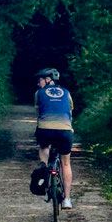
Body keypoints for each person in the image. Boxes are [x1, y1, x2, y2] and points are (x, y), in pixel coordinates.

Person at [34, 68, 74, 209]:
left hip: (45, 129)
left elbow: (39, 112)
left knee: (44, 147)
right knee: (66, 164)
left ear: (48, 80)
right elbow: (70, 112)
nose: (38, 83)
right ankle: (67, 200)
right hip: (65, 130)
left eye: (40, 80)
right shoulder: (67, 93)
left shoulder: (39, 93)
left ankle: (44, 172)